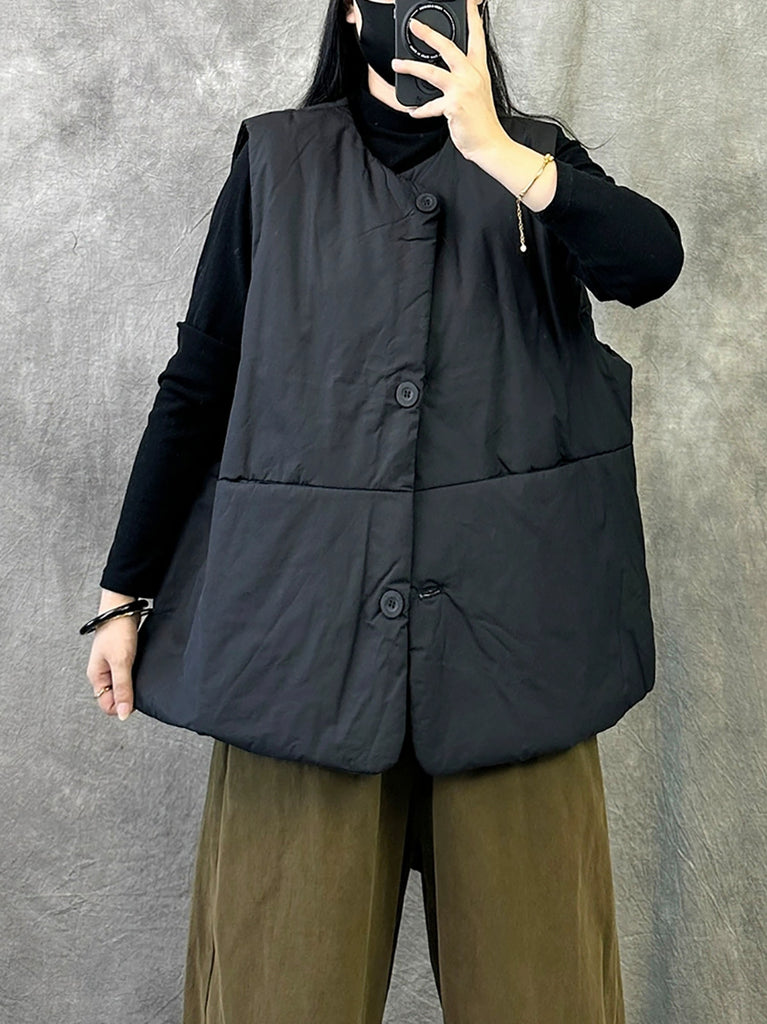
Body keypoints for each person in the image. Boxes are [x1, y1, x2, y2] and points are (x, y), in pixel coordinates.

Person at [82, 1, 684, 1020]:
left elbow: (651, 262)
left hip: (512, 658)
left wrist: (499, 151)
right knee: (275, 993)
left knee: (548, 996)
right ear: (353, 10)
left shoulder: (534, 159)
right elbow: (200, 380)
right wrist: (123, 592)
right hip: (298, 653)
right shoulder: (274, 163)